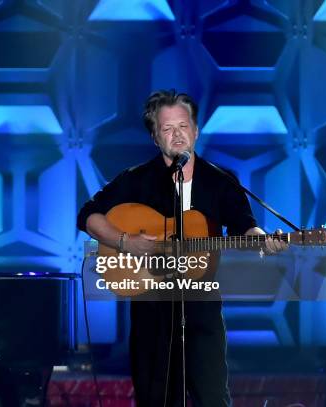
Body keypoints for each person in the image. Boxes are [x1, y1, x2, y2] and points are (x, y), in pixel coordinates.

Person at [77, 90, 286, 406]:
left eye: (183, 126)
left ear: (196, 130)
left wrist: (262, 239)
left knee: (213, 396)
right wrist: (125, 241)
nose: (177, 135)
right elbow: (88, 215)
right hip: (152, 307)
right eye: (167, 129)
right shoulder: (137, 179)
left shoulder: (220, 180)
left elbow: (244, 224)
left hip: (202, 306)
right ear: (155, 136)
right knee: (157, 399)